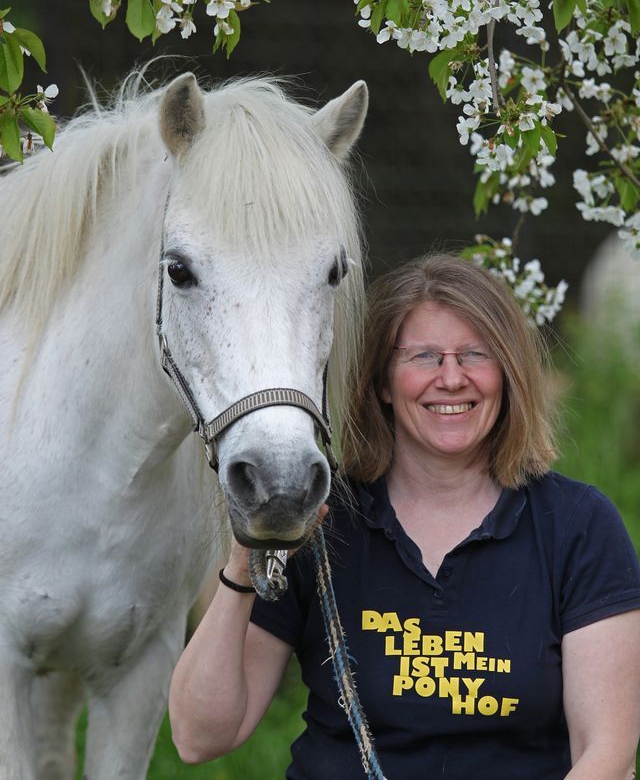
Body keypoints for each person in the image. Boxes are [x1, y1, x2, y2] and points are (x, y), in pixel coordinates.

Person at [168, 253, 640, 780]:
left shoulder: (576, 525)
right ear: (384, 383)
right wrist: (242, 565)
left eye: (474, 355)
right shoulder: (324, 522)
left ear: (507, 375)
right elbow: (198, 737)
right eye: (424, 357)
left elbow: (608, 753)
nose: (452, 378)